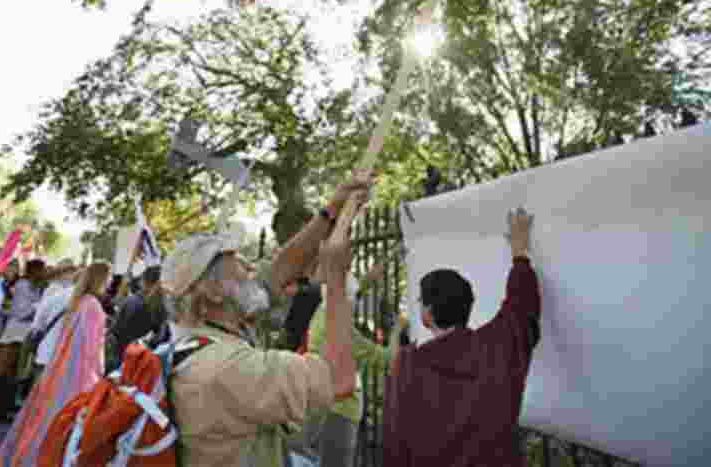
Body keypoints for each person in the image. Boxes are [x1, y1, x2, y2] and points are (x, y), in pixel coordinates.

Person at [160, 177, 368, 467]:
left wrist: (332, 210)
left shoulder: (202, 337)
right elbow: (338, 380)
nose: (251, 268)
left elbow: (280, 269)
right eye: (240, 264)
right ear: (213, 292)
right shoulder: (227, 368)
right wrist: (335, 279)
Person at [382, 207, 541, 467]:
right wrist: (519, 253)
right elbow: (522, 307)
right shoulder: (495, 347)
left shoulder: (408, 366)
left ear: (428, 313)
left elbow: (394, 445)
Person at [0, 260, 111, 467]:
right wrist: (100, 376)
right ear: (102, 279)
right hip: (77, 375)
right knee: (62, 426)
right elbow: (92, 350)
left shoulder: (77, 300)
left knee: (43, 416)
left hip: (55, 364)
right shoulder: (91, 306)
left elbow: (40, 325)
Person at [297, 259, 392, 467]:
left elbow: (348, 293)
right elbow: (386, 357)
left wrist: (369, 277)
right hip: (341, 410)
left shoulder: (321, 313)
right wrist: (399, 330)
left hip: (320, 404)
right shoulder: (345, 331)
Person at [0, 258, 48, 423]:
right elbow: (21, 313)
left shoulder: (35, 287)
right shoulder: (23, 286)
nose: (44, 274)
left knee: (14, 376)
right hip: (14, 336)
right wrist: (39, 306)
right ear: (34, 271)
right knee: (6, 376)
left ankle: (5, 407)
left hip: (21, 337)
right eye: (42, 270)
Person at [109, 264, 169, 366]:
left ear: (143, 281)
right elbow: (159, 338)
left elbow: (115, 329)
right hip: (142, 359)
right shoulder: (162, 307)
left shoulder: (131, 301)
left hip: (123, 355)